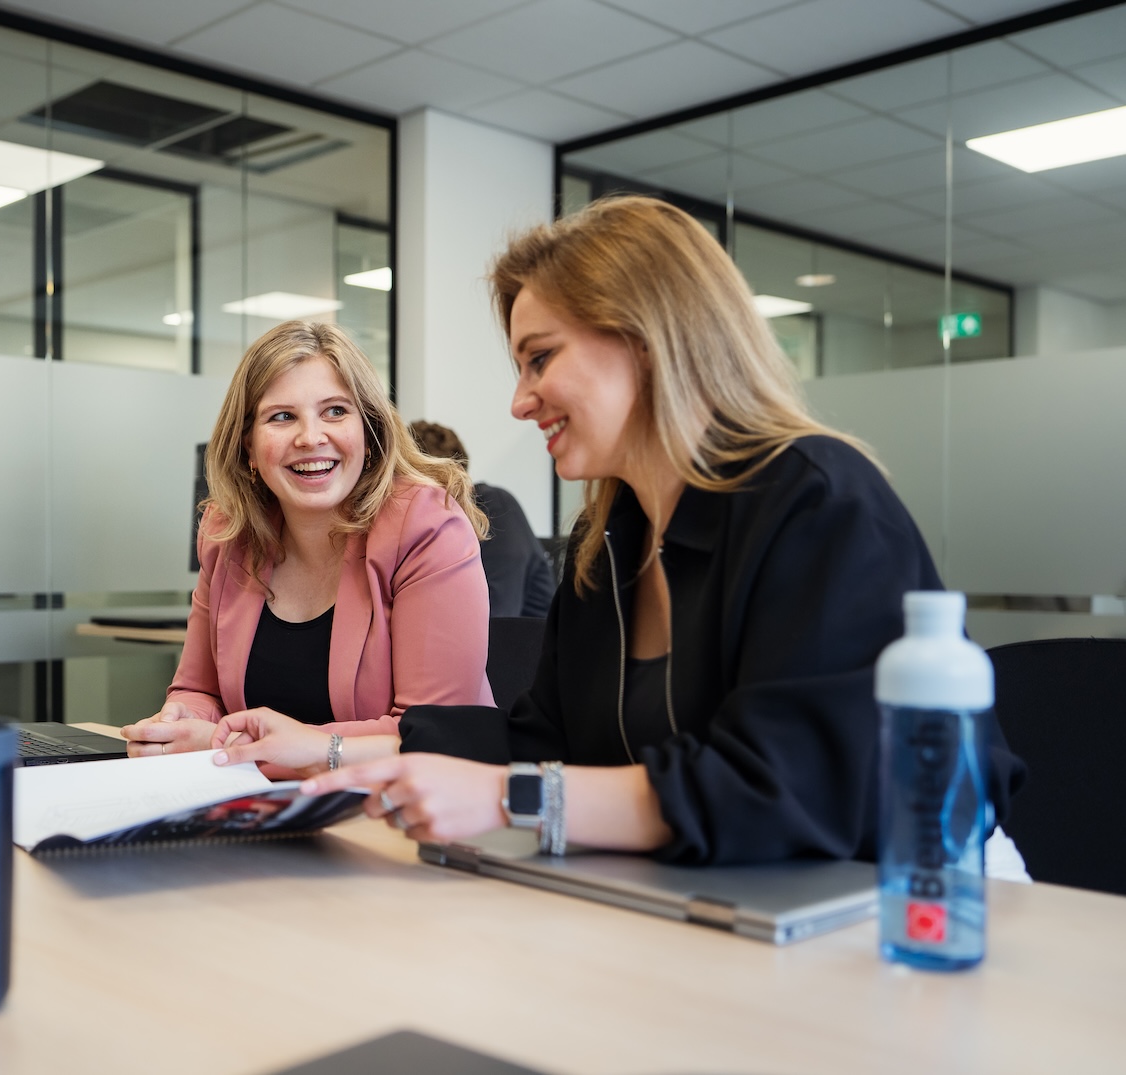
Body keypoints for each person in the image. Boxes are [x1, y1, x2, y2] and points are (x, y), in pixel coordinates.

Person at [219, 196, 1025, 864]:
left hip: (905, 910)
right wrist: (325, 751)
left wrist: (507, 798)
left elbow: (788, 789)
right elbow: (540, 737)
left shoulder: (816, 501)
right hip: (714, 895)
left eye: (540, 359)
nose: (520, 399)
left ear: (645, 338)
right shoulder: (611, 542)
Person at [122, 321, 494, 769]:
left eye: (335, 411)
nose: (311, 437)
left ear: (369, 430)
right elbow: (199, 689)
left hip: (404, 814)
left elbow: (435, 733)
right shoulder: (228, 535)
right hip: (266, 810)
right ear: (248, 448)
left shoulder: (426, 527)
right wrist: (180, 722)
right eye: (281, 417)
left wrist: (232, 748)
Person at [408, 420, 555, 618]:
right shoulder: (439, 527)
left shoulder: (495, 506)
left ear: (456, 477)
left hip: (522, 643)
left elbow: (497, 614)